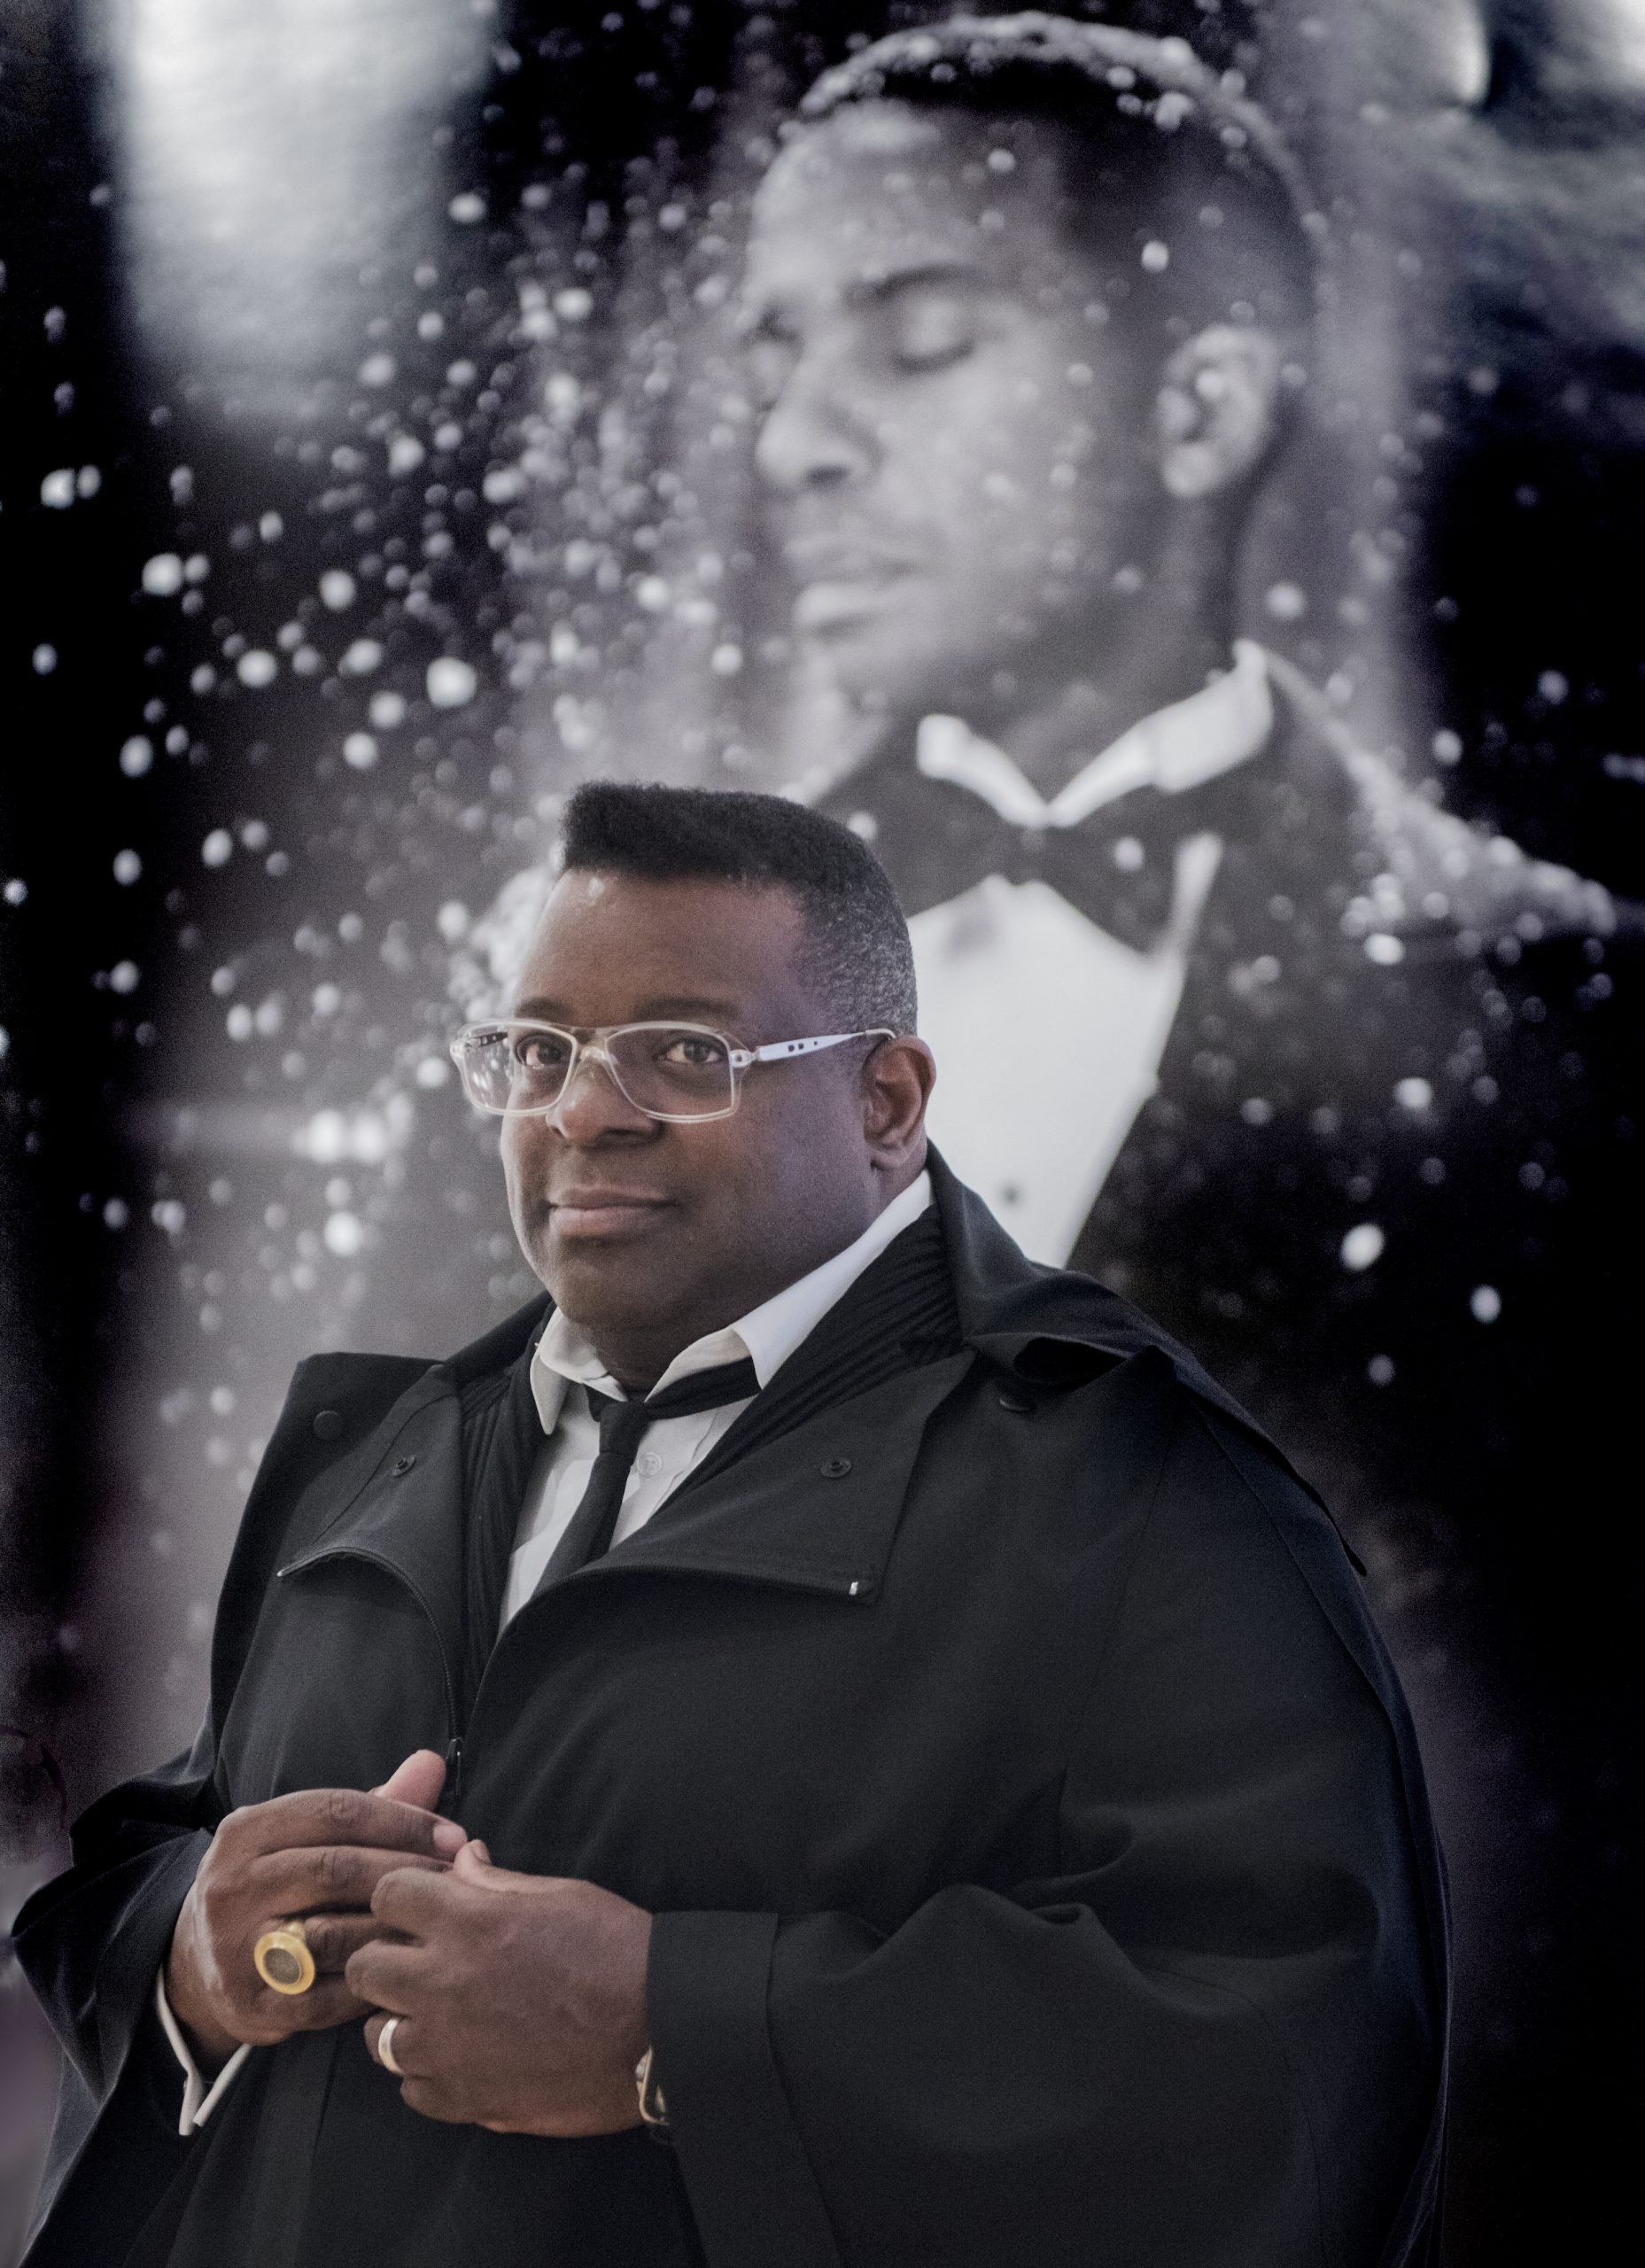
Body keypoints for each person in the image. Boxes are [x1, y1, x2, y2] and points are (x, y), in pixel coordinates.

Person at [18, 782, 1444, 2267]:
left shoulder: (1143, 1489)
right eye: (538, 1050)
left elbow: (1288, 2079)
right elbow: (163, 1861)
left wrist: (669, 2034)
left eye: (682, 1054)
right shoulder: (363, 1452)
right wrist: (191, 1949)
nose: (581, 1111)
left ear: (886, 1102)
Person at [741, 12, 1626, 1287]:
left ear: (1199, 412)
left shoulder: (1569, 1013)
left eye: (919, 339)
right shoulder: (589, 986)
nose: (790, 448)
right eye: (773, 365)